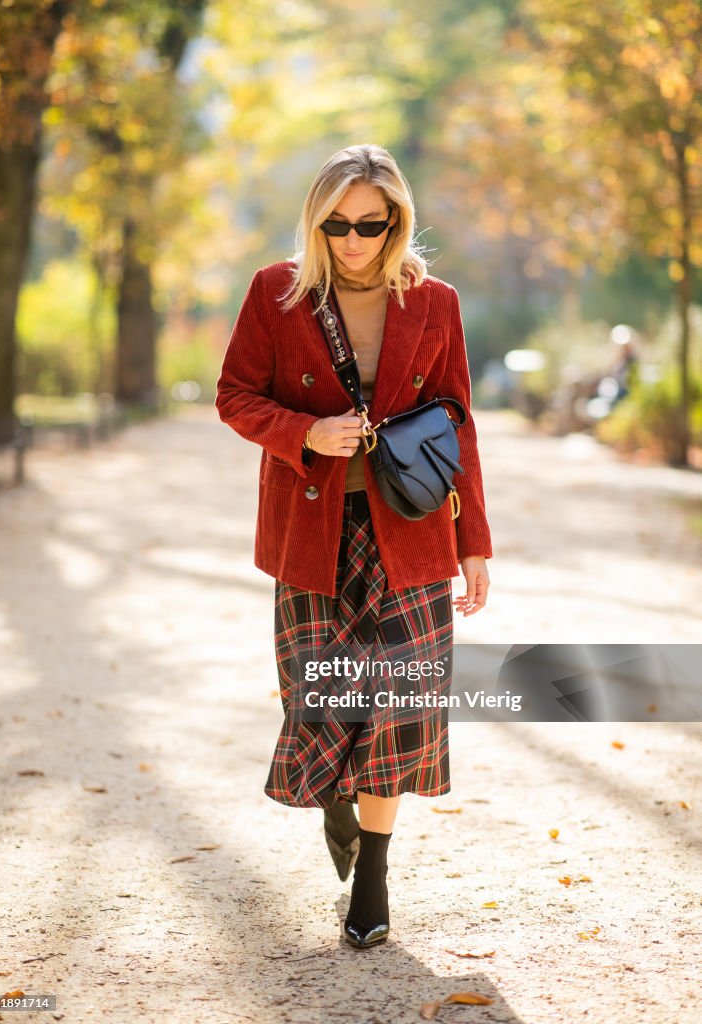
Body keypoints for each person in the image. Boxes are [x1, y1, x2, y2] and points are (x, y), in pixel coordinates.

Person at [214, 143, 492, 950]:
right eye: (336, 224)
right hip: (312, 532)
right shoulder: (277, 292)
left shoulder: (434, 302)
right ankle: (333, 794)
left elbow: (459, 427)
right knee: (325, 700)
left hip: (408, 533)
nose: (354, 240)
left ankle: (372, 878)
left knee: (399, 708)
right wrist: (309, 433)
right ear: (317, 220)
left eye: (371, 224)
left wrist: (473, 540)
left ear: (397, 220)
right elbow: (234, 395)